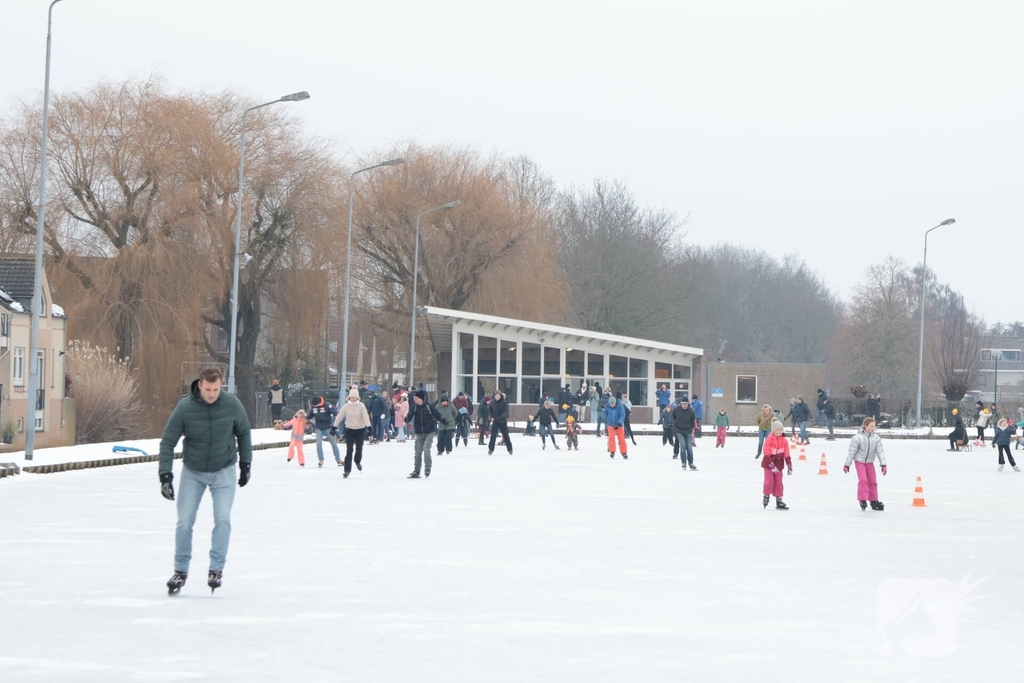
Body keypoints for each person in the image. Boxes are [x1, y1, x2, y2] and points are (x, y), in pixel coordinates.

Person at [159, 367, 252, 595]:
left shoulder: (232, 404)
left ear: (222, 386)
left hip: (224, 470)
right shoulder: (185, 408)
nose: (212, 394)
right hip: (193, 471)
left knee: (222, 519)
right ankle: (180, 571)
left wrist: (245, 465)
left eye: (216, 389)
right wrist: (165, 475)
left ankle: (216, 569)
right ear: (200, 385)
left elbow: (244, 432)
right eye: (208, 389)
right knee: (184, 521)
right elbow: (167, 441)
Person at [844, 417, 888, 511]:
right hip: (859, 461)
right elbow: (852, 452)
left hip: (869, 462)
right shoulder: (857, 438)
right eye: (871, 426)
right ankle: (862, 499)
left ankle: (873, 500)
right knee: (863, 480)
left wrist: (883, 464)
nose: (873, 428)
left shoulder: (876, 438)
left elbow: (880, 452)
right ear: (865, 426)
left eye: (874, 426)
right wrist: (847, 464)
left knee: (873, 481)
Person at [332, 388, 371, 477]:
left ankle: (357, 461)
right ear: (349, 398)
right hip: (349, 429)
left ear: (358, 398)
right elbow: (339, 416)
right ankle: (347, 470)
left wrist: (369, 427)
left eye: (355, 397)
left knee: (359, 449)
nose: (353, 399)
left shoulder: (361, 406)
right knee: (349, 450)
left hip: (360, 430)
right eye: (351, 397)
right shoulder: (346, 406)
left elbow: (365, 417)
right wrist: (334, 427)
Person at [406, 389, 442, 478]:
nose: (415, 399)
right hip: (419, 433)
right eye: (414, 398)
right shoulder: (414, 407)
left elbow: (437, 414)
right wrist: (407, 419)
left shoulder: (429, 406)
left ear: (422, 398)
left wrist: (443, 419)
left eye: (417, 398)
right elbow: (410, 416)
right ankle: (417, 470)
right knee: (418, 452)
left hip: (429, 431)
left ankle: (427, 468)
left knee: (426, 449)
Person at [760, 420, 792, 509]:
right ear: (774, 430)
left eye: (781, 429)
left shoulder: (784, 441)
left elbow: (787, 453)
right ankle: (766, 496)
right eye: (778, 429)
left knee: (779, 482)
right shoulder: (769, 440)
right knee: (769, 481)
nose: (780, 431)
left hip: (779, 464)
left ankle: (779, 500)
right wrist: (771, 466)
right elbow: (766, 454)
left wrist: (789, 465)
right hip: (768, 464)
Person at [308, 396, 342, 467]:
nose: (314, 406)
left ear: (319, 403)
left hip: (328, 428)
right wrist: (303, 418)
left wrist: (336, 416)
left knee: (334, 444)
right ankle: (321, 459)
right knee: (318, 444)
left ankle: (338, 459)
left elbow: (334, 411)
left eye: (316, 405)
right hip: (319, 428)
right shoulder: (314, 407)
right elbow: (310, 415)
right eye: (313, 405)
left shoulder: (327, 405)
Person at [672, 396, 697, 469]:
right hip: (679, 430)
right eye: (683, 404)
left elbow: (693, 420)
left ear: (688, 404)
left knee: (689, 447)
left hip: (688, 431)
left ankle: (691, 463)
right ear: (681, 404)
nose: (684, 405)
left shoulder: (691, 411)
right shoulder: (676, 409)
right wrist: (675, 425)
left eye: (686, 404)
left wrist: (691, 428)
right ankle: (683, 462)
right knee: (683, 445)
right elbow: (673, 417)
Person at [488, 389, 513, 455]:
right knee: (493, 436)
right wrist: (490, 417)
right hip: (495, 421)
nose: (497, 397)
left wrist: (501, 417)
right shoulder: (492, 402)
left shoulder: (504, 402)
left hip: (502, 421)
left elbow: (506, 412)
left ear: (500, 396)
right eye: (496, 396)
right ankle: (490, 449)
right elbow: (490, 410)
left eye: (498, 396)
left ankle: (510, 449)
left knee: (506, 435)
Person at [604, 394, 628, 459]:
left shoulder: (620, 406)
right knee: (611, 437)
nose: (612, 405)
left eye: (613, 404)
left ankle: (624, 452)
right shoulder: (607, 406)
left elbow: (622, 415)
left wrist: (619, 423)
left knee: (621, 438)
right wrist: (607, 420)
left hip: (619, 425)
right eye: (611, 404)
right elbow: (605, 413)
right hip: (611, 425)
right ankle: (612, 451)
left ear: (615, 402)